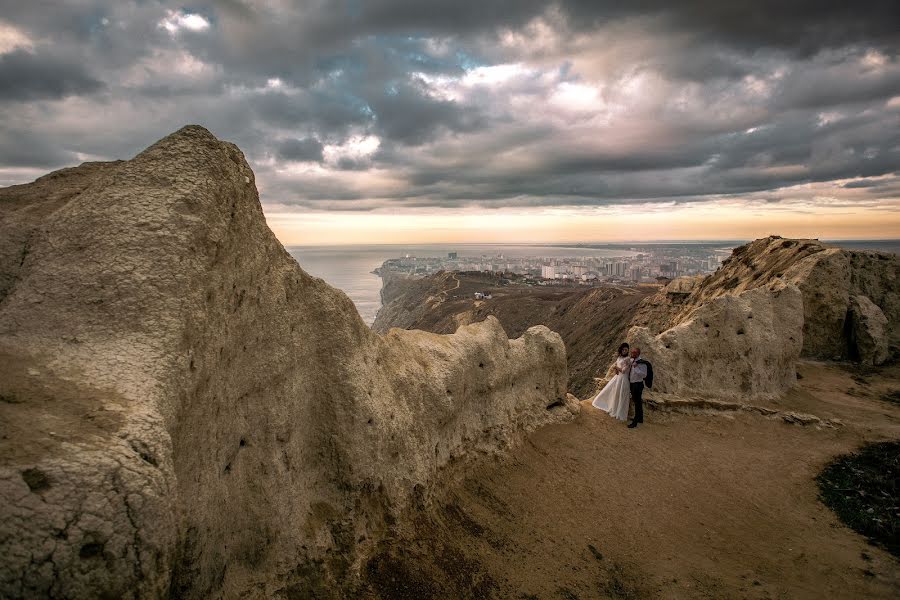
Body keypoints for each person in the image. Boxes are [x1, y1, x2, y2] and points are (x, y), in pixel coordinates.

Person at [591, 343, 632, 421]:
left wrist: (616, 367)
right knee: (614, 393)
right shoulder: (619, 357)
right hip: (618, 378)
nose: (624, 351)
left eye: (626, 350)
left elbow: (623, 371)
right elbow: (617, 371)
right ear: (621, 350)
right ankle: (613, 408)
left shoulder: (627, 359)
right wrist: (616, 369)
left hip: (623, 379)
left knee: (620, 395)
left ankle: (618, 412)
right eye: (623, 349)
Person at [627, 347, 649, 429]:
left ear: (638, 353)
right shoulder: (632, 360)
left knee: (637, 403)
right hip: (633, 384)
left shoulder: (642, 363)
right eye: (632, 352)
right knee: (638, 402)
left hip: (638, 384)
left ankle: (635, 422)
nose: (633, 354)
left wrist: (636, 367)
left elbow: (644, 375)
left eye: (635, 352)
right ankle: (640, 418)